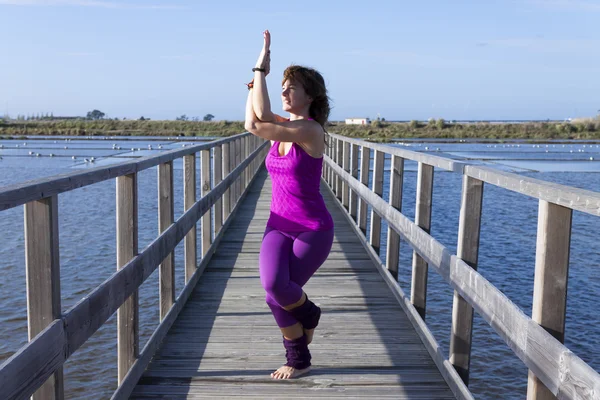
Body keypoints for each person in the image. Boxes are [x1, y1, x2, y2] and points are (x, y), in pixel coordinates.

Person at [244, 30, 334, 380]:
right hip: (277, 224)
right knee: (273, 286)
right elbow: (253, 122)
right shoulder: (283, 125)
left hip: (312, 229)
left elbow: (262, 114)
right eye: (282, 85)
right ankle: (309, 315)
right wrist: (254, 82)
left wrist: (261, 71)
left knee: (278, 294)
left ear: (310, 96)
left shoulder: (311, 131)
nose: (284, 91)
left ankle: (298, 359)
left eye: (291, 87)